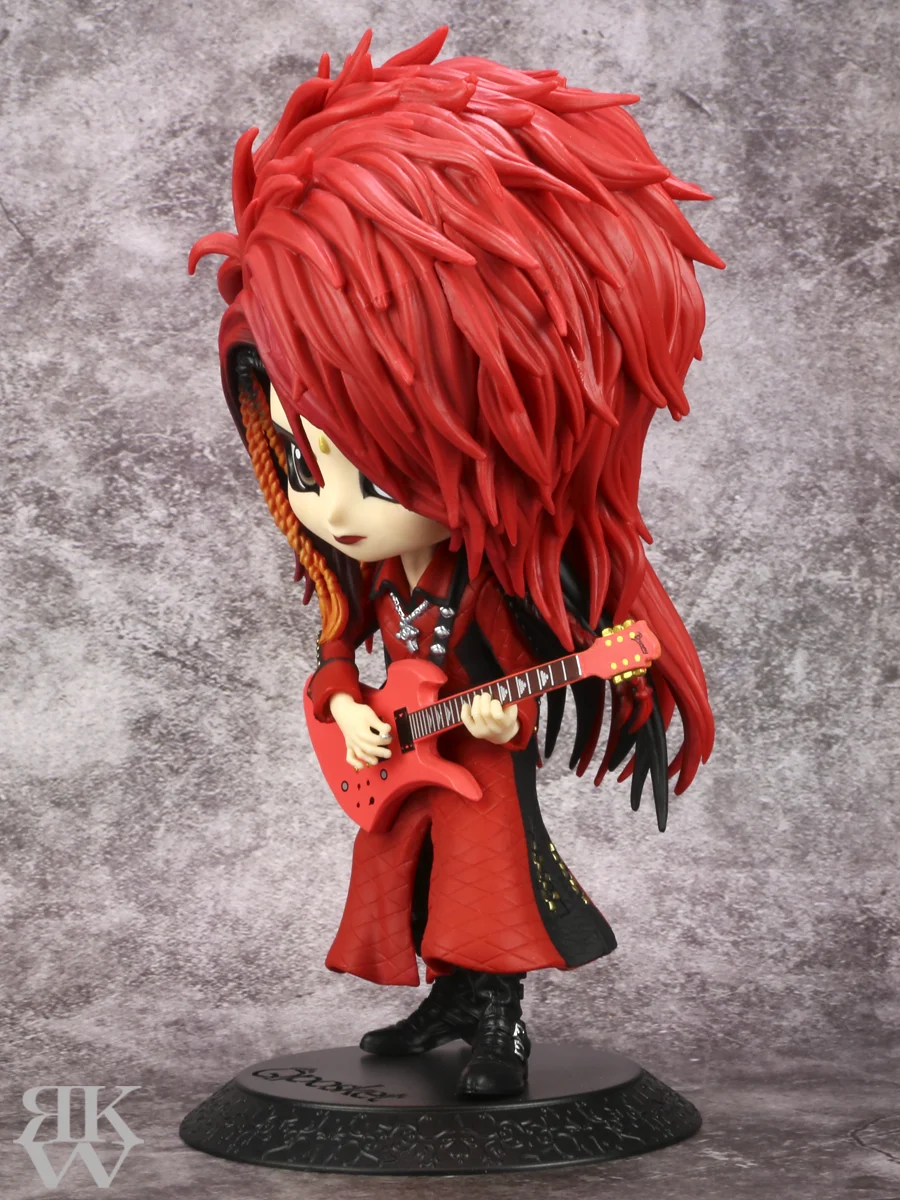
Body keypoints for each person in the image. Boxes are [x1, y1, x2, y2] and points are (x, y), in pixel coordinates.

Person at [189, 26, 721, 1099]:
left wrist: (509, 716)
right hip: (401, 762)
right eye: (303, 463)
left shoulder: (498, 576)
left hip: (478, 761)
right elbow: (337, 651)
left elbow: (539, 661)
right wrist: (342, 705)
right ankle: (447, 1000)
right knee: (410, 877)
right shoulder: (371, 579)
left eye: (382, 472)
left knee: (486, 886)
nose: (335, 509)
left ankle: (500, 1025)